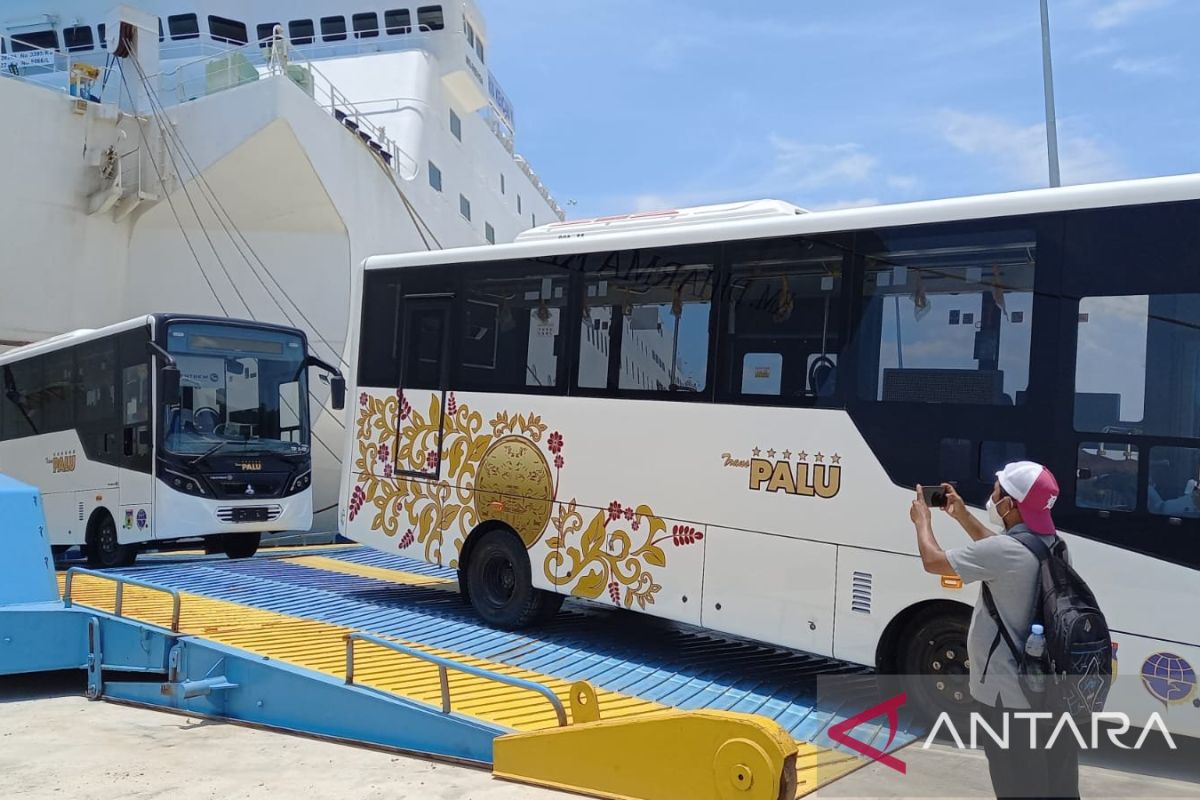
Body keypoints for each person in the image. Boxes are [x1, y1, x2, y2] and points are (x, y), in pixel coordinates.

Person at [909, 461, 1080, 800]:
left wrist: (922, 521)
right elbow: (1002, 552)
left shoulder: (1004, 552)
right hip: (1051, 693)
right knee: (1056, 784)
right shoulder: (1055, 545)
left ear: (1010, 505)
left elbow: (933, 560)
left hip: (1009, 698)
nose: (992, 495)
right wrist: (961, 515)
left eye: (998, 491)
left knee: (1017, 785)